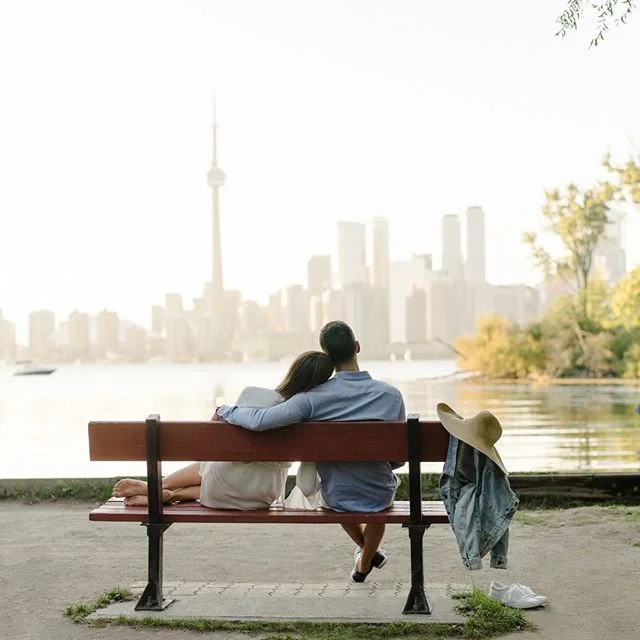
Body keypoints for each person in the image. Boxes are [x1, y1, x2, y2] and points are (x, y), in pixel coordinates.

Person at [216, 320, 406, 582]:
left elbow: (261, 421)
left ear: (327, 356)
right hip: (380, 494)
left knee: (335, 491)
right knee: (376, 494)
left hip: (336, 496)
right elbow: (398, 460)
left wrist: (225, 410)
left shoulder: (311, 399)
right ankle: (364, 562)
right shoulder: (392, 395)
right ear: (357, 347)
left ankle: (366, 558)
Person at [112, 350, 333, 509]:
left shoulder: (253, 394)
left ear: (293, 371)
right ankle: (170, 494)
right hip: (263, 495)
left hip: (219, 486)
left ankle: (160, 486)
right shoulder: (310, 416)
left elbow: (215, 439)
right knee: (236, 471)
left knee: (218, 464)